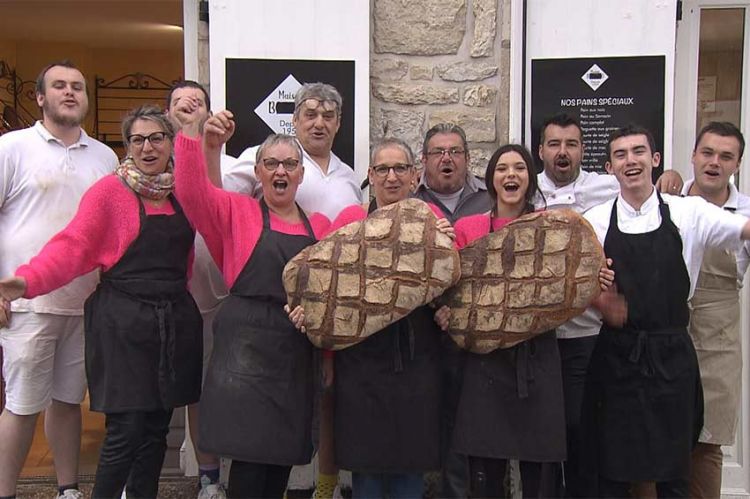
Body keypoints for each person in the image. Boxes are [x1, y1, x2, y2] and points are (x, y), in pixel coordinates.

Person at [0, 105, 203, 498]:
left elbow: (189, 260)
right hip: (122, 323)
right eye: (137, 139)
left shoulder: (182, 193)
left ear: (170, 143)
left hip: (173, 320)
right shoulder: (109, 192)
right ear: (126, 146)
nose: (148, 147)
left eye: (157, 138)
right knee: (126, 430)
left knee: (157, 428)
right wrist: (27, 281)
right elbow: (71, 247)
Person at [581, 124, 750, 498]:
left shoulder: (690, 213)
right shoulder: (594, 221)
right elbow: (571, 280)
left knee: (676, 467)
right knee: (615, 467)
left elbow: (743, 229)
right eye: (621, 154)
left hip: (672, 357)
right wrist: (599, 299)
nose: (631, 161)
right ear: (610, 167)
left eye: (638, 152)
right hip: (616, 359)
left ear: (655, 160)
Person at [174, 110, 330, 499]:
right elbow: (191, 192)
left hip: (294, 346)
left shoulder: (321, 226)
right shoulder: (236, 211)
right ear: (258, 172)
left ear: (300, 174)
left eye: (290, 164)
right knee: (247, 457)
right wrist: (191, 134)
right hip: (244, 347)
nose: (281, 171)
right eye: (271, 163)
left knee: (280, 454)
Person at [289, 138, 449, 499]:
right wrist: (326, 354)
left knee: (410, 462)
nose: (391, 177)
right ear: (370, 176)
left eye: (401, 169)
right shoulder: (350, 220)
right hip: (360, 357)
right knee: (366, 464)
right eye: (382, 169)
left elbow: (447, 284)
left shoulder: (432, 219)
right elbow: (326, 290)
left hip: (416, 353)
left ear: (414, 176)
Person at [536, 113, 683, 497]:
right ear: (541, 152)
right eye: (554, 144)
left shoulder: (607, 188)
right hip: (539, 336)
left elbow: (654, 190)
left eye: (571, 144)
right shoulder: (524, 187)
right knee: (545, 434)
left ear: (585, 152)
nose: (562, 152)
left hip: (588, 336)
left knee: (589, 435)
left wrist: (673, 177)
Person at [225, 82, 361, 498]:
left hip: (325, 314)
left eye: (328, 116)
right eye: (310, 114)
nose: (319, 123)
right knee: (255, 429)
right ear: (295, 118)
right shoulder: (258, 158)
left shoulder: (350, 178)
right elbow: (223, 205)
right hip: (263, 316)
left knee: (314, 408)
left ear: (339, 124)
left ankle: (322, 483)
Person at [0, 60, 118, 499]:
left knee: (69, 402)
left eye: (78, 87)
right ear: (40, 97)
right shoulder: (12, 148)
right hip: (27, 304)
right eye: (60, 86)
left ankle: (67, 488)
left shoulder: (105, 157)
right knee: (22, 406)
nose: (70, 93)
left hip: (84, 303)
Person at [450, 144, 565, 498]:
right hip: (484, 359)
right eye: (502, 169)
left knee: (540, 472)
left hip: (537, 356)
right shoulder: (467, 227)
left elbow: (569, 282)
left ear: (530, 179)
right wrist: (447, 311)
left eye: (519, 168)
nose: (510, 175)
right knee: (484, 469)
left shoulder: (551, 226)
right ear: (491, 180)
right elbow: (449, 286)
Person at [412, 123, 492, 498]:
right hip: (424, 332)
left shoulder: (490, 200)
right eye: (438, 152)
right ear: (424, 161)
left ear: (467, 158)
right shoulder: (409, 205)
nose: (447, 159)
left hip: (478, 336)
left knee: (475, 423)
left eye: (455, 152)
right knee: (433, 423)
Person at [165, 79, 229, 499]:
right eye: (179, 103)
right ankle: (207, 476)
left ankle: (227, 473)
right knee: (189, 388)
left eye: (198, 101)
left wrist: (210, 147)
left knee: (226, 385)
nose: (189, 107)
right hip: (172, 295)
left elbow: (214, 200)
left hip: (220, 297)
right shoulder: (149, 161)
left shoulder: (233, 161)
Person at [681, 121, 750, 498]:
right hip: (668, 334)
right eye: (707, 153)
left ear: (737, 164)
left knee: (707, 445)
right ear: (693, 156)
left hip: (718, 339)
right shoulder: (669, 204)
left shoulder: (745, 213)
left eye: (726, 156)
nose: (714, 163)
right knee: (654, 436)